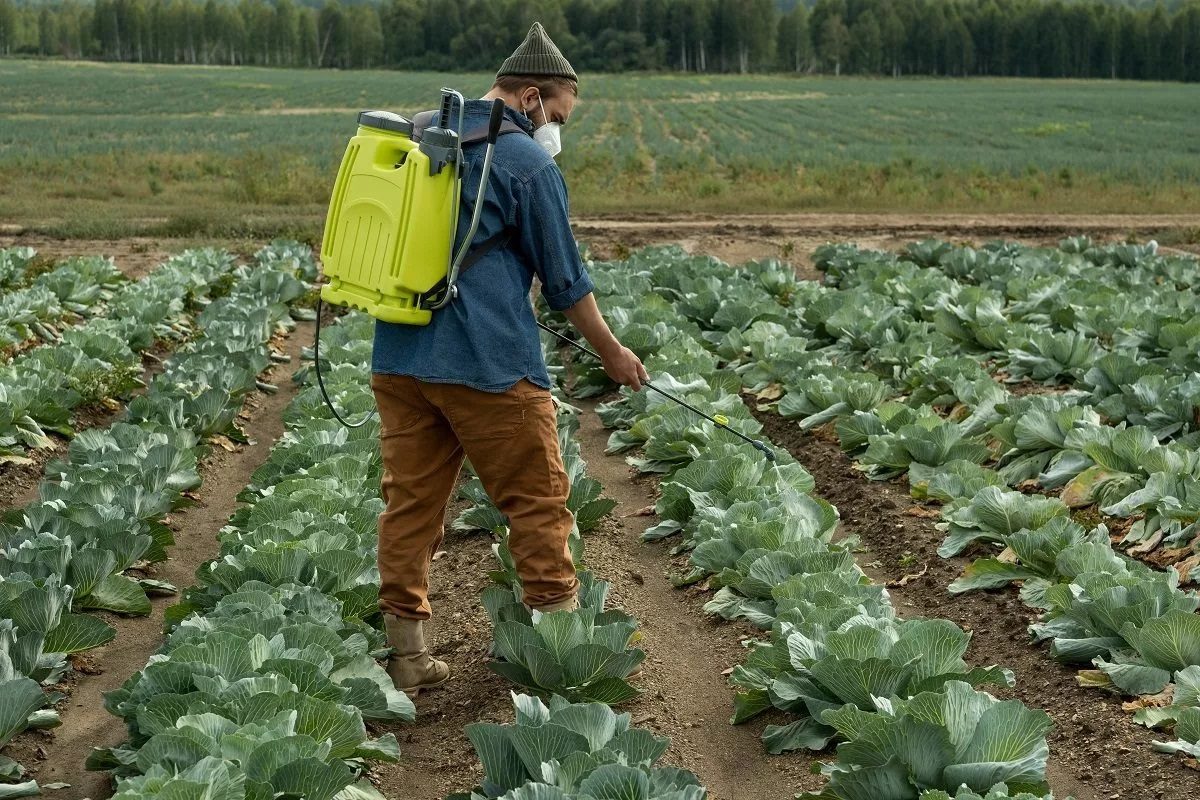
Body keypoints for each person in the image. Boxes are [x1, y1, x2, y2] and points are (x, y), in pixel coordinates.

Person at [370, 22, 648, 697]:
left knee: (410, 506)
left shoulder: (418, 134)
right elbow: (565, 282)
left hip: (400, 358)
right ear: (529, 97)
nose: (556, 127)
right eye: (556, 114)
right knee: (537, 503)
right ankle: (560, 658)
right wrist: (612, 353)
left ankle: (408, 659)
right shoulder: (527, 164)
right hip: (487, 365)